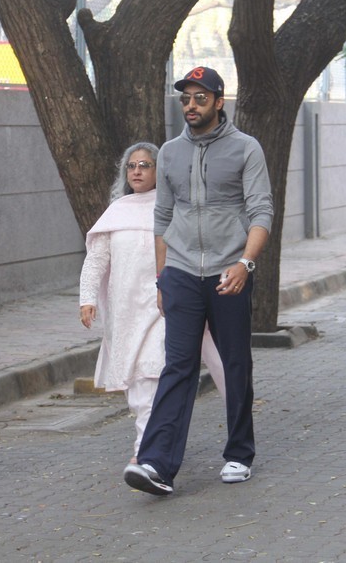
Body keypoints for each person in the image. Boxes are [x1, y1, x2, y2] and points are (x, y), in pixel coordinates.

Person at [123, 66, 273, 496]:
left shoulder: (246, 149)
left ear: (219, 102)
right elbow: (163, 218)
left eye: (200, 98)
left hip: (230, 270)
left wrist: (245, 264)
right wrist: (161, 278)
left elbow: (261, 212)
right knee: (178, 365)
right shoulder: (169, 152)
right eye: (186, 98)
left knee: (235, 361)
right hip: (182, 273)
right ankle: (156, 463)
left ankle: (239, 454)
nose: (191, 105)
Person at [79, 142, 225, 462]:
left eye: (145, 165)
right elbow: (96, 260)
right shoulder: (117, 211)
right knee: (138, 384)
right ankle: (155, 446)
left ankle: (145, 452)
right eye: (132, 166)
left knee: (155, 373)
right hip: (126, 311)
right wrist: (87, 299)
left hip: (166, 305)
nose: (137, 171)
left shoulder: (174, 208)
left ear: (161, 171)